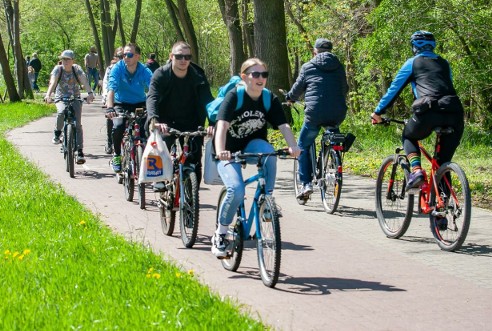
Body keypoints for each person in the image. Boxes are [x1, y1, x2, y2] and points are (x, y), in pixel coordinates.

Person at [211, 58, 300, 258]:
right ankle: (220, 234)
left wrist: (293, 146)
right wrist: (221, 151)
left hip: (252, 146)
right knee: (236, 189)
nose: (261, 79)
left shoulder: (269, 98)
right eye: (256, 74)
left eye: (264, 75)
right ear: (244, 77)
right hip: (228, 149)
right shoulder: (234, 96)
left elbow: (283, 126)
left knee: (269, 154)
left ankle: (266, 200)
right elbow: (222, 126)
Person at [371, 31, 464, 189]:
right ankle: (442, 208)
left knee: (408, 136)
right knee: (442, 162)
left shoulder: (413, 63)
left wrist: (378, 112)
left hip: (428, 111)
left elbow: (394, 90)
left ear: (414, 46)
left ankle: (416, 171)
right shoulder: (444, 63)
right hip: (454, 113)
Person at [285, 38, 349, 199]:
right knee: (334, 136)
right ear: (331, 51)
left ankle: (305, 184)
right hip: (337, 113)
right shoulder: (339, 66)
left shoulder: (308, 66)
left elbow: (297, 88)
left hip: (315, 114)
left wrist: (290, 98)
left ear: (315, 51)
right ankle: (335, 157)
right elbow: (344, 88)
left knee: (303, 145)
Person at [146, 41, 214, 188]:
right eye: (179, 56)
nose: (183, 60)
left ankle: (191, 196)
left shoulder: (198, 75)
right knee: (162, 144)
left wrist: (214, 123)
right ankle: (160, 179)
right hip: (166, 120)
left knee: (195, 160)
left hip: (192, 120)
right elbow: (152, 97)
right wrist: (154, 119)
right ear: (171, 57)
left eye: (187, 57)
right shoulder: (161, 74)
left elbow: (208, 101)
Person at [104, 43, 153, 172]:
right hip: (121, 103)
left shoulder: (144, 70)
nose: (126, 57)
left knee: (146, 130)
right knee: (119, 126)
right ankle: (117, 155)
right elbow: (111, 89)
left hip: (139, 103)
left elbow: (154, 89)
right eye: (124, 55)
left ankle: (144, 157)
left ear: (137, 56)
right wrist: (110, 108)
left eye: (129, 55)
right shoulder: (117, 68)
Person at [44, 50, 95, 164]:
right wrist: (48, 95)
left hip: (75, 97)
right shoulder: (58, 69)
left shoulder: (76, 69)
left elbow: (84, 81)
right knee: (61, 112)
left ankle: (80, 151)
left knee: (77, 124)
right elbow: (53, 82)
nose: (65, 61)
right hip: (61, 97)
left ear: (73, 60)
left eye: (68, 59)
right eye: (63, 59)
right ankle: (57, 133)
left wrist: (90, 94)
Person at [102, 47, 124, 154]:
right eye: (119, 56)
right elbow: (106, 84)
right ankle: (110, 142)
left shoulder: (131, 68)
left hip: (126, 99)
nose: (122, 58)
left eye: (124, 55)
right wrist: (106, 98)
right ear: (115, 57)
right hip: (113, 98)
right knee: (111, 117)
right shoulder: (111, 69)